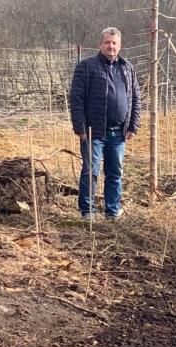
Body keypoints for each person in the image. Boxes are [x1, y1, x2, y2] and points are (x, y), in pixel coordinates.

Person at [70, 27, 140, 220]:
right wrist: (80, 128)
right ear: (100, 44)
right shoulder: (86, 67)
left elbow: (135, 98)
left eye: (114, 43)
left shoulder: (127, 67)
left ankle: (112, 211)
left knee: (115, 173)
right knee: (91, 172)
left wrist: (133, 125)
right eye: (107, 42)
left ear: (120, 45)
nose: (111, 46)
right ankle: (88, 211)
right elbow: (76, 99)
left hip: (119, 132)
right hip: (93, 132)